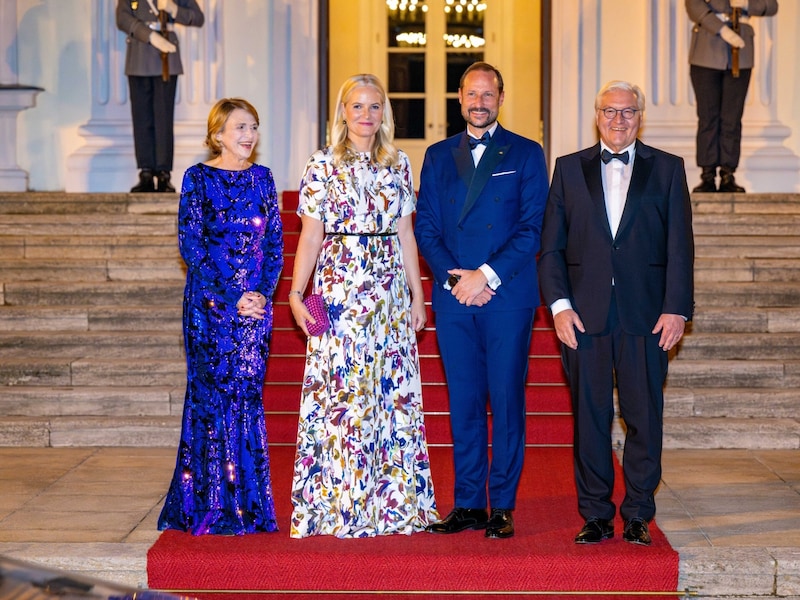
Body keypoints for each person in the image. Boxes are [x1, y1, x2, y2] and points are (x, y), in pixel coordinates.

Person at [538, 80, 694, 546]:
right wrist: (560, 308)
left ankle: (640, 512)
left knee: (644, 417)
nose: (618, 120)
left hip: (647, 316)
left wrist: (676, 309)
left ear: (639, 117)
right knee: (590, 416)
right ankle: (596, 514)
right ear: (597, 116)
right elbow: (551, 249)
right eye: (610, 112)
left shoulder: (667, 169)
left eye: (628, 112)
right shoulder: (568, 170)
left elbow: (680, 248)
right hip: (583, 318)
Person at [288, 74, 438, 538]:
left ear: (384, 114)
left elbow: (407, 234)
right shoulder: (321, 164)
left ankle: (391, 505)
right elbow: (310, 236)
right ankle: (337, 506)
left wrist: (417, 294)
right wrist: (296, 294)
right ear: (343, 112)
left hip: (389, 289)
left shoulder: (399, 163)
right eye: (358, 106)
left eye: (375, 107)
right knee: (342, 397)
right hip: (337, 288)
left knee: (387, 394)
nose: (366, 115)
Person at [414, 62, 549, 539]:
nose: (479, 102)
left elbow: (533, 226)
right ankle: (469, 503)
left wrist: (485, 275)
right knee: (464, 401)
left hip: (506, 294)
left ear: (500, 97)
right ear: (459, 97)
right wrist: (458, 281)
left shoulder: (528, 153)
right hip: (455, 298)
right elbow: (425, 225)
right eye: (472, 94)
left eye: (488, 94)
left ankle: (503, 505)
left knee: (507, 399)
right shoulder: (436, 154)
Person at [157, 97, 284, 535]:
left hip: (254, 312)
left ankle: (249, 506)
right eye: (239, 128)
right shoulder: (197, 178)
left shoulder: (264, 179)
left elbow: (274, 247)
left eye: (253, 126)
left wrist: (262, 295)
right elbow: (190, 246)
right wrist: (233, 297)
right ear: (217, 135)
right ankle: (207, 505)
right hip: (209, 311)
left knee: (246, 398)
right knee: (211, 400)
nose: (248, 136)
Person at [686, 0, 778, 193]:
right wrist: (721, 30)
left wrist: (745, 4)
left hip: (741, 52)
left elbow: (771, 6)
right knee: (707, 118)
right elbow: (693, 5)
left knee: (732, 119)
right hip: (707, 48)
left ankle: (728, 173)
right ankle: (708, 174)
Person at [116, 0, 204, 193]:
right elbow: (122, 18)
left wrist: (174, 9)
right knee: (142, 119)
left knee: (164, 120)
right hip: (138, 56)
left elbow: (198, 18)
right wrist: (149, 36)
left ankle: (164, 173)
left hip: (167, 60)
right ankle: (146, 172)